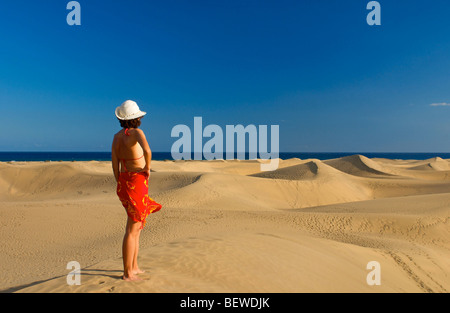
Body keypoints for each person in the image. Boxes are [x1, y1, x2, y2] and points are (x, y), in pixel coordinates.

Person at [111, 100, 162, 281]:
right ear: (137, 117)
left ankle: (134, 266)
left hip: (125, 181)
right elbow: (147, 151)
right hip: (137, 180)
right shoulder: (137, 133)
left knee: (138, 225)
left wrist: (120, 183)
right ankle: (128, 273)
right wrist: (147, 168)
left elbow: (115, 164)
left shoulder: (117, 137)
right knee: (133, 228)